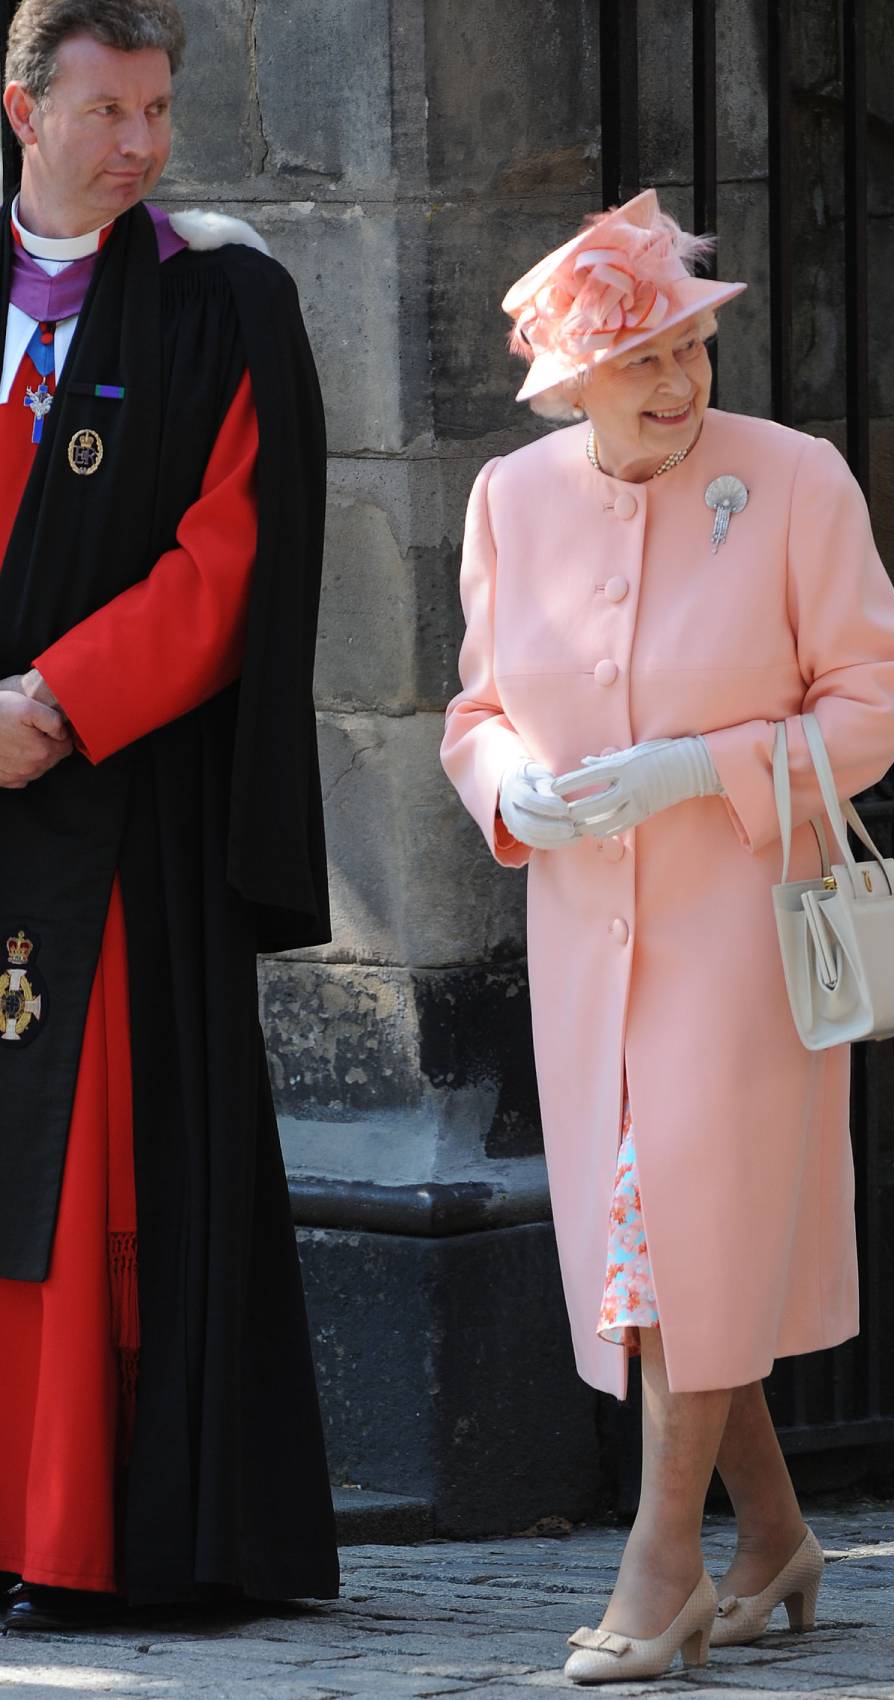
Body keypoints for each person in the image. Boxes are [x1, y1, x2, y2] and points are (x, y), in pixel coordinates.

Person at [440, 189, 894, 1685]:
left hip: (742, 938)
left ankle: (664, 1573)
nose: (678, 379)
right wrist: (511, 778)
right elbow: (477, 709)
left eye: (690, 348)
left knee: (679, 1232)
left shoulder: (796, 480)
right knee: (666, 1255)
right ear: (570, 381)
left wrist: (700, 770)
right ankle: (773, 1533)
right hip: (592, 945)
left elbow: (878, 694)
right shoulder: (510, 501)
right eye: (641, 356)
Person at [0, 0, 337, 1630]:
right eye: (106, 109)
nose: (140, 143)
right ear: (22, 108)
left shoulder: (223, 300)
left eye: (159, 108)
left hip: (116, 822)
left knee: (81, 1183)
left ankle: (76, 1532)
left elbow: (230, 561)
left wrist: (51, 704)